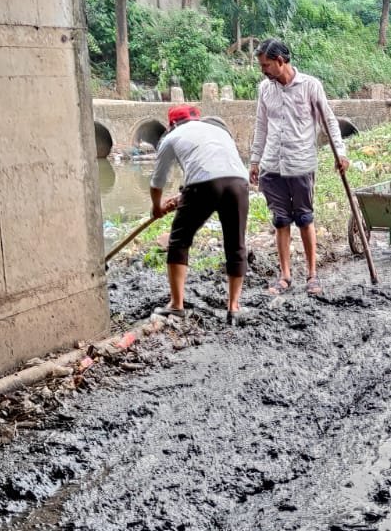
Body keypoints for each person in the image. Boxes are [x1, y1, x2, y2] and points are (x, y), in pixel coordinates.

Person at [249, 38, 350, 296]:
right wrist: (255, 160)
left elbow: (329, 121)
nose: (263, 70)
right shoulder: (265, 89)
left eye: (266, 65)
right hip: (272, 166)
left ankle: (312, 275)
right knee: (280, 220)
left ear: (280, 61)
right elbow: (261, 126)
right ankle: (284, 277)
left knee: (304, 218)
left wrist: (341, 153)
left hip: (301, 163)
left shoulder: (310, 86)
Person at [149, 104, 254, 325]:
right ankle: (234, 308)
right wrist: (184, 196)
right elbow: (216, 168)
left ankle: (176, 306)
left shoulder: (171, 137)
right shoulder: (217, 131)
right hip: (238, 182)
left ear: (172, 124)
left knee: (179, 240)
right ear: (198, 119)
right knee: (236, 244)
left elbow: (157, 181)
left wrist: (157, 207)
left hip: (202, 185)